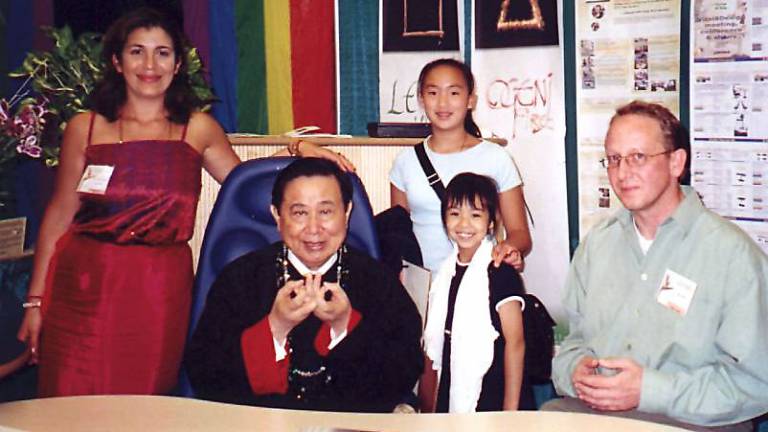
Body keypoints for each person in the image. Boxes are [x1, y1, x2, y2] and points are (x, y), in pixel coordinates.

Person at [16, 7, 352, 397]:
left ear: (177, 65)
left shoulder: (198, 129)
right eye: (137, 51)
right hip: (83, 287)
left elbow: (248, 188)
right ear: (117, 61)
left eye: (162, 53)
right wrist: (35, 301)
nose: (149, 65)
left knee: (146, 403)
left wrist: (298, 149)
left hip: (158, 292)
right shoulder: (85, 127)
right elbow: (59, 215)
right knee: (71, 401)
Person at [546, 101, 768, 431]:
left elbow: (756, 385)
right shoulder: (597, 246)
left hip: (691, 422)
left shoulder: (733, 256)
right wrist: (574, 371)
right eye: (614, 159)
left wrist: (649, 391)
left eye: (638, 157)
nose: (622, 173)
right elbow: (570, 345)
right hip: (596, 415)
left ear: (677, 162)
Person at [185, 157, 423, 412]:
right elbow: (205, 375)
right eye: (299, 213)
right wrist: (275, 327)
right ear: (277, 216)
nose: (313, 229)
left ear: (347, 213)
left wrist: (344, 326)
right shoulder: (240, 278)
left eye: (325, 212)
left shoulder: (378, 280)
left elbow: (403, 374)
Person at [389, 58, 531, 274]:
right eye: (433, 93)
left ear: (470, 100)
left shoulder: (496, 158)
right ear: (421, 99)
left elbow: (520, 233)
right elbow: (398, 234)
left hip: (479, 280)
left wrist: (508, 249)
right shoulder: (405, 161)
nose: (443, 103)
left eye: (454, 93)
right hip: (422, 286)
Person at [419, 173, 532, 413]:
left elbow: (516, 343)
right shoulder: (445, 273)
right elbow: (436, 346)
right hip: (452, 391)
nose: (464, 224)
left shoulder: (500, 271)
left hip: (493, 395)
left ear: (491, 222)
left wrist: (510, 413)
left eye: (476, 215)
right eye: (454, 214)